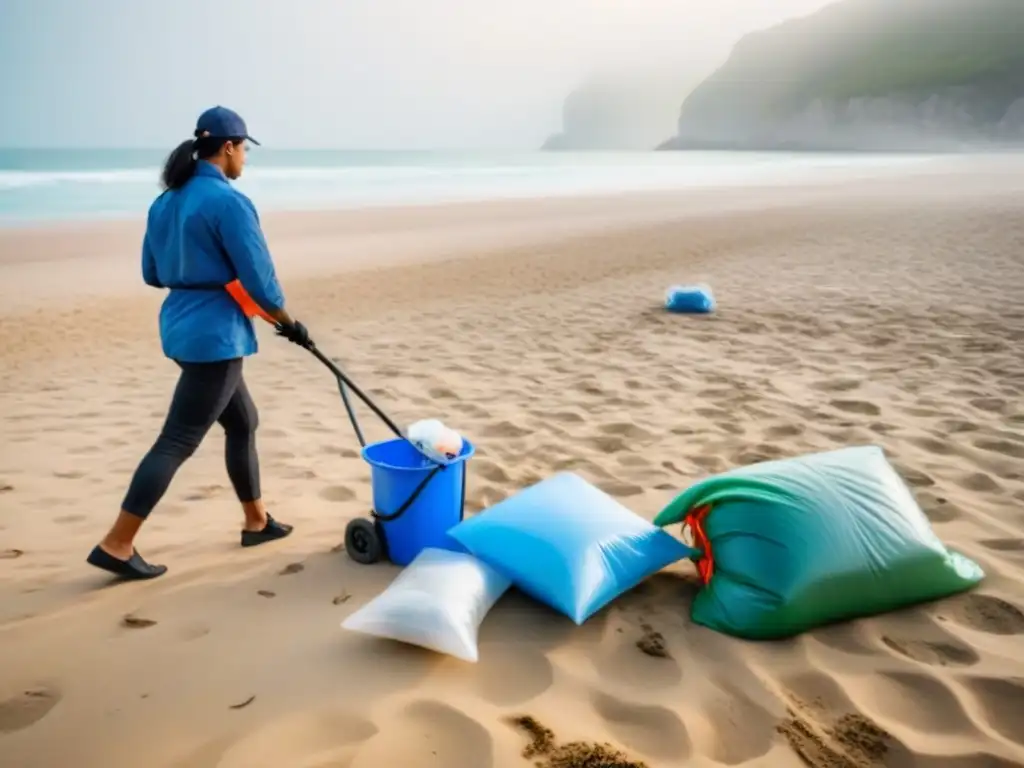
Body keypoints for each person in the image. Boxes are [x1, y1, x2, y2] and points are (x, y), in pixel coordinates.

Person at [86, 106, 313, 580]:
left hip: (179, 326)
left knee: (243, 420)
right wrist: (289, 322)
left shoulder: (165, 201)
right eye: (245, 150)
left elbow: (152, 274)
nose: (245, 160)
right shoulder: (230, 201)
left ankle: (256, 521)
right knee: (177, 439)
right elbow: (262, 284)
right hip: (216, 335)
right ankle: (118, 543)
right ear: (228, 147)